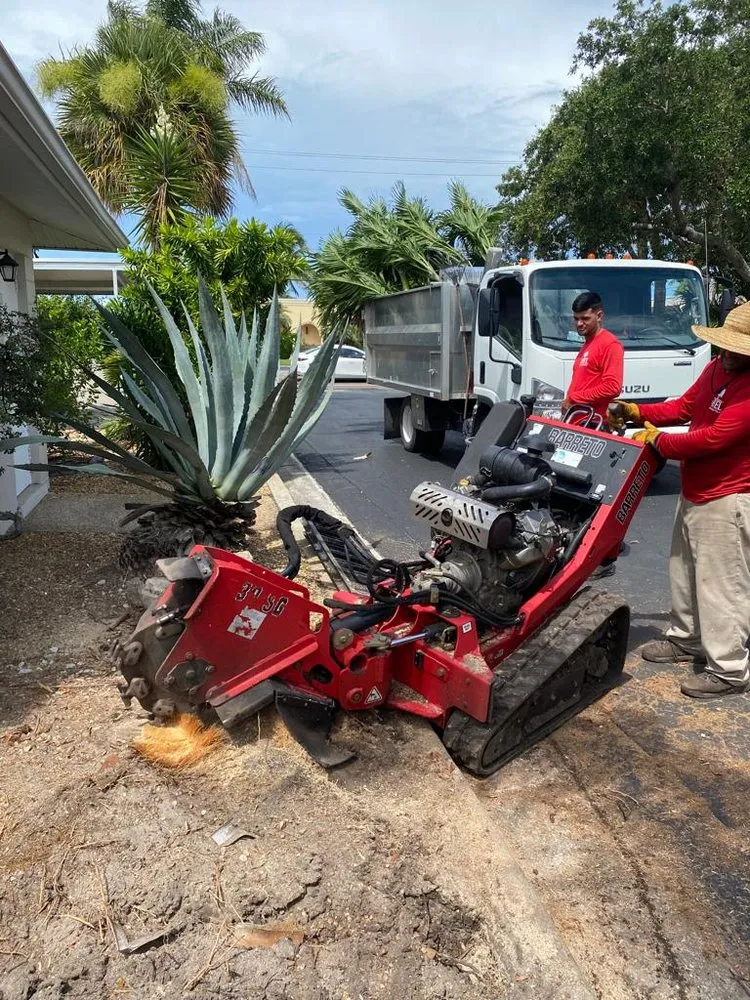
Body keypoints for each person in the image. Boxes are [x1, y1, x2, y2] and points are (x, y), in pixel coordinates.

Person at [608, 300, 750, 699]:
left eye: (737, 349)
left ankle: (729, 669)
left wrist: (659, 441)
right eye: (726, 347)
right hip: (695, 490)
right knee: (684, 571)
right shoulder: (715, 369)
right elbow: (684, 407)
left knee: (722, 584)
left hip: (727, 495)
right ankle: (685, 639)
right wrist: (638, 412)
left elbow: (713, 438)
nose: (728, 354)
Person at [562, 291, 624, 425]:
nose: (579, 323)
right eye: (576, 319)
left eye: (585, 318)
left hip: (593, 423)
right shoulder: (587, 344)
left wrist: (573, 398)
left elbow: (612, 387)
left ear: (599, 316)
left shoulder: (610, 344)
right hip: (576, 420)